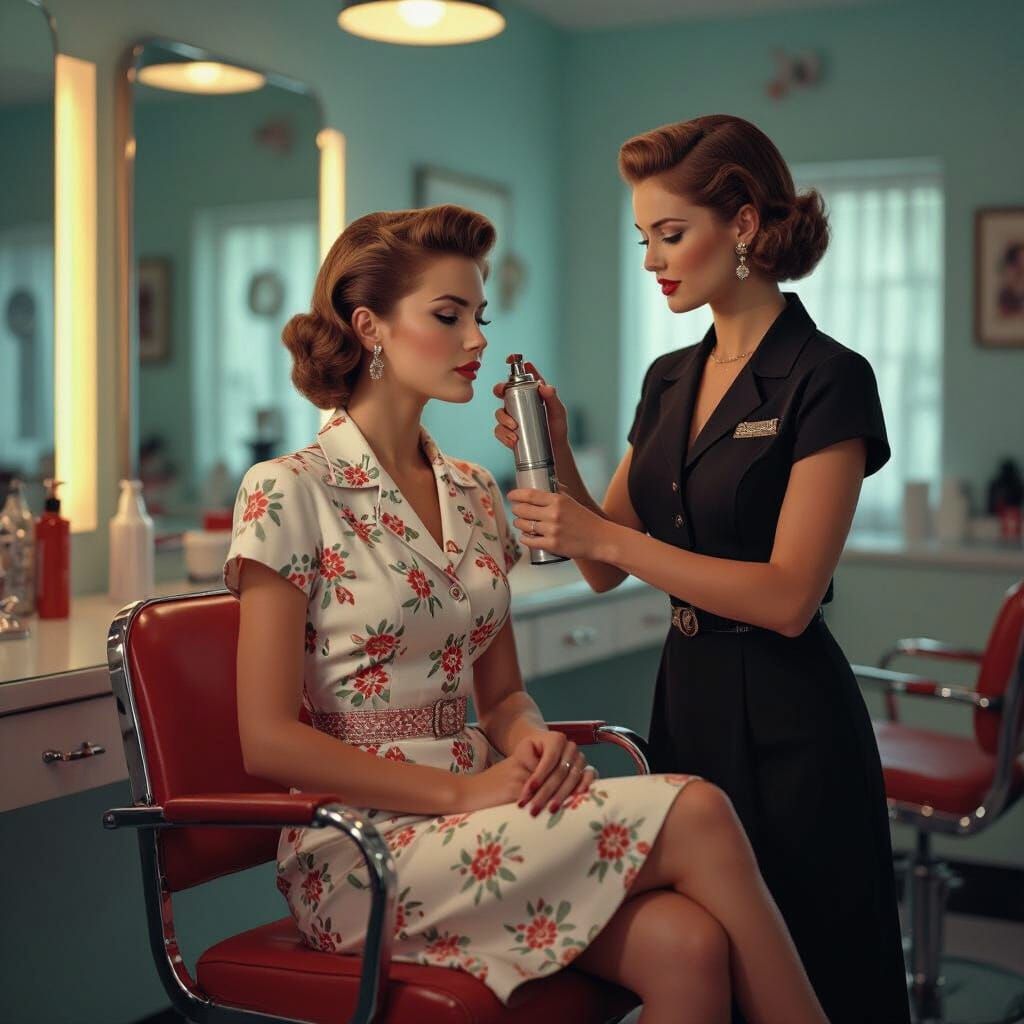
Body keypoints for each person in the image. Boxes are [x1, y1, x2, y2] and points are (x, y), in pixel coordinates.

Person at [225, 203, 830, 1024]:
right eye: (449, 316)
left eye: (480, 315)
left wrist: (531, 741)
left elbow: (503, 696)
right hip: (361, 848)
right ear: (369, 327)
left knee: (689, 947)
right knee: (699, 810)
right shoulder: (287, 490)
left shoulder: (476, 490)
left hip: (485, 808)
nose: (477, 339)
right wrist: (462, 792)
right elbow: (266, 740)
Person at [494, 115, 911, 1024]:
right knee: (708, 967)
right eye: (642, 237)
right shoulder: (667, 379)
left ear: (745, 224)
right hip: (686, 698)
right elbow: (602, 562)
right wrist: (553, 452)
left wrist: (607, 540)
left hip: (792, 719)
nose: (652, 259)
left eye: (671, 234)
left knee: (812, 972)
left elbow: (790, 596)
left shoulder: (828, 378)